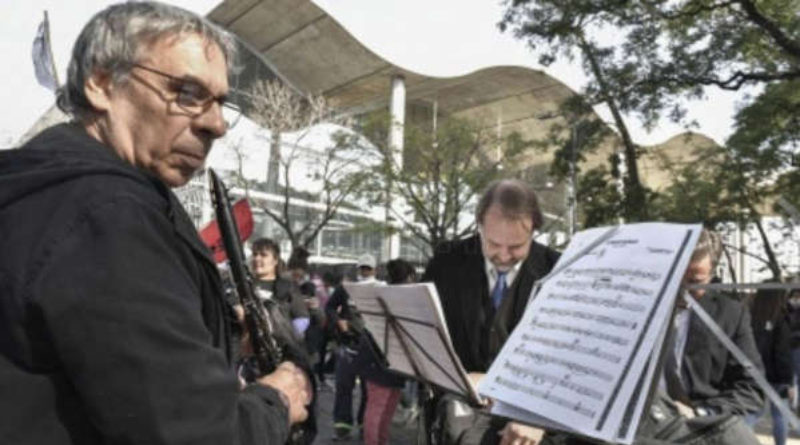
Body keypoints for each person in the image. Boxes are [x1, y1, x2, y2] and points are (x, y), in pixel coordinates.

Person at [0, 3, 309, 444]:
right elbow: (196, 434)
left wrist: (205, 334)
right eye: (186, 92)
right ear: (102, 83)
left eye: (220, 101)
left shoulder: (50, 185)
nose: (216, 124)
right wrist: (275, 402)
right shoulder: (107, 215)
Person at [423, 179, 560, 445]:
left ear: (534, 230)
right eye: (494, 244)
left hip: (531, 421)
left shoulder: (558, 269)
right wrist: (459, 377)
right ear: (480, 226)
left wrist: (534, 413)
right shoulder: (445, 263)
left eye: (517, 246)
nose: (505, 256)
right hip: (460, 417)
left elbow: (566, 357)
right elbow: (425, 342)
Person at [662, 229, 765, 419]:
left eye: (694, 282)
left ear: (711, 277)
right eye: (675, 278)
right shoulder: (636, 307)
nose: (681, 290)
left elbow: (752, 388)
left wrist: (701, 413)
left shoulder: (732, 315)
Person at [361, 258, 417, 445]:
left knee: (386, 408)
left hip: (390, 361)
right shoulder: (392, 297)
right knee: (379, 408)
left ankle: (381, 442)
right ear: (409, 277)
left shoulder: (384, 294)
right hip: (382, 359)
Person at [325, 253, 378, 440]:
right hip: (347, 346)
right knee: (343, 387)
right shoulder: (346, 288)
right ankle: (342, 427)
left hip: (371, 349)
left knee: (368, 390)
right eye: (362, 268)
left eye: (368, 268)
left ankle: (365, 426)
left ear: (374, 270)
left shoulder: (380, 288)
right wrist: (338, 321)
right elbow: (329, 307)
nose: (365, 271)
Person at [746, 286, 794, 445]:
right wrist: (788, 381)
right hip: (777, 376)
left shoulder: (751, 318)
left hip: (756, 374)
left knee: (753, 414)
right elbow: (782, 353)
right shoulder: (781, 319)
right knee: (780, 415)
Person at [251, 238, 311, 335]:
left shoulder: (287, 287)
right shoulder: (244, 285)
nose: (257, 258)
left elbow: (302, 318)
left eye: (263, 255)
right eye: (255, 254)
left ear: (275, 260)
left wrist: (284, 336)